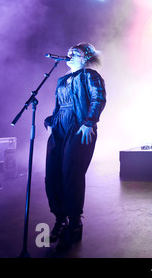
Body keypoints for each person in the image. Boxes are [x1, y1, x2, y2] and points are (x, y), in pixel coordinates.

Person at [44, 42, 106, 252]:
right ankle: (60, 219)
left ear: (85, 58)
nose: (69, 55)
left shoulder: (90, 75)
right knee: (52, 175)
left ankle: (74, 222)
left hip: (79, 127)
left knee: (71, 174)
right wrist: (52, 119)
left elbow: (98, 98)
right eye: (68, 52)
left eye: (75, 53)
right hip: (59, 127)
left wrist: (89, 122)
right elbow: (60, 105)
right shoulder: (62, 79)